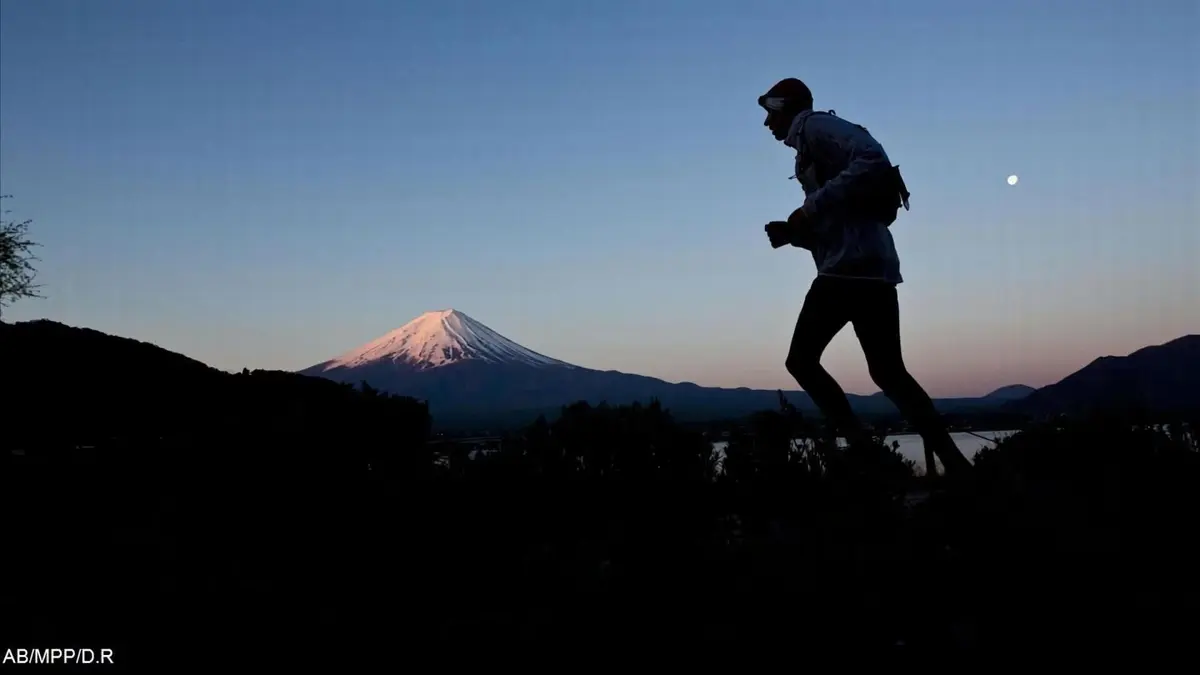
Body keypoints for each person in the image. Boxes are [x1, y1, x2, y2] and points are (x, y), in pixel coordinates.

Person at [757, 77, 972, 477]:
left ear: (785, 107)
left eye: (770, 112)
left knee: (801, 361)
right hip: (872, 269)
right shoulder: (810, 143)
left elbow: (873, 158)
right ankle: (958, 467)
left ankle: (862, 451)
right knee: (889, 373)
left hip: (847, 271)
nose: (767, 123)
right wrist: (797, 235)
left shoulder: (814, 126)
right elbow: (841, 217)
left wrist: (808, 210)